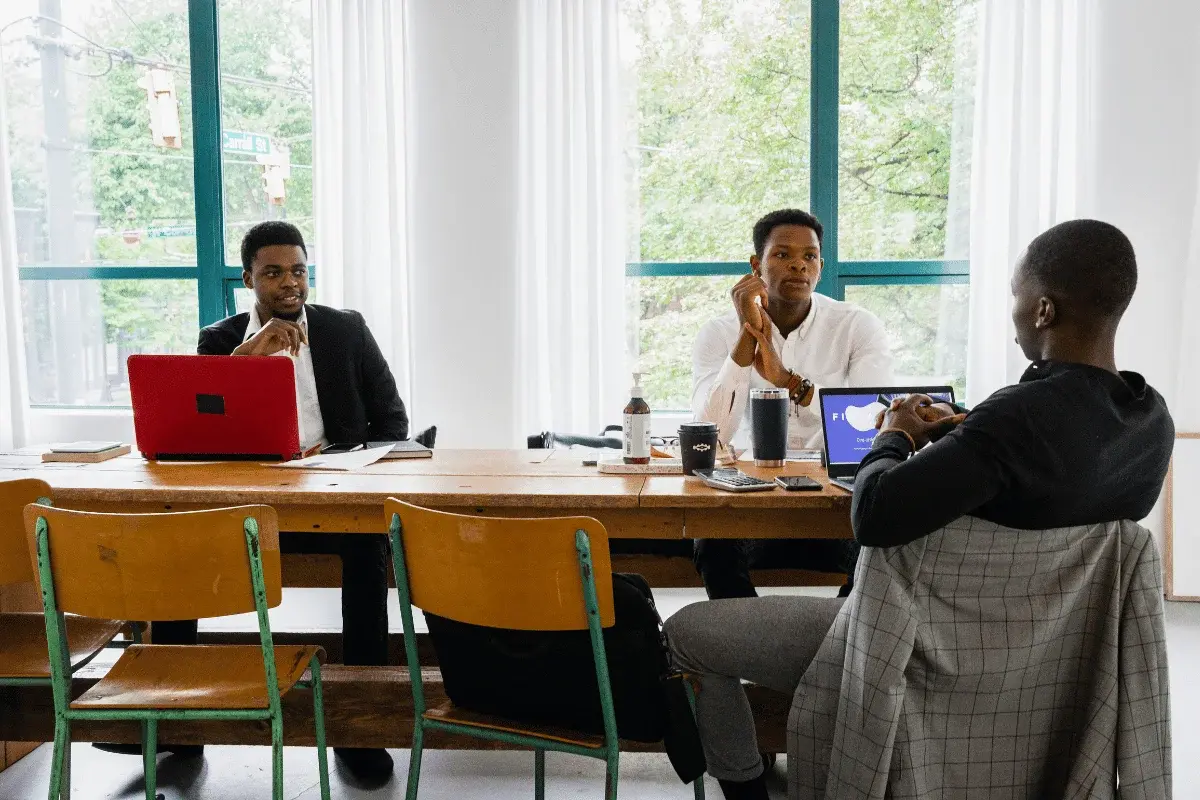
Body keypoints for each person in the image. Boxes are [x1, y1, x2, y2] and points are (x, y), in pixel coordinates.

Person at [664, 219, 1175, 800]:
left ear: (1043, 312)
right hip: (1043, 663)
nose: (1012, 314)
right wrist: (962, 438)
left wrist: (895, 436)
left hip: (919, 644)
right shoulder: (1149, 424)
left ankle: (750, 791)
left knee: (685, 634)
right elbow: (1039, 468)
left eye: (1015, 297)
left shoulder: (1009, 422)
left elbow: (876, 513)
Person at [156, 221, 407, 785]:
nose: (289, 283)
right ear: (248, 278)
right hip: (254, 504)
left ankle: (357, 728)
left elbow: (393, 421)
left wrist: (345, 458)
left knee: (368, 556)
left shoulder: (346, 330)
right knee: (178, 551)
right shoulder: (220, 342)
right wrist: (250, 357)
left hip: (334, 492)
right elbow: (199, 438)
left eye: (298, 270)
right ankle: (176, 724)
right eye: (273, 273)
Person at [690, 209, 893, 599]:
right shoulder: (717, 333)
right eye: (782, 255)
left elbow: (877, 422)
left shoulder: (856, 326)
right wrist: (746, 339)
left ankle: (840, 646)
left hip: (835, 507)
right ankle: (748, 651)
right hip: (750, 507)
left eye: (810, 256)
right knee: (713, 542)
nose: (799, 264)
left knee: (883, 547)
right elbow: (709, 435)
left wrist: (788, 381)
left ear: (819, 265)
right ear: (756, 266)